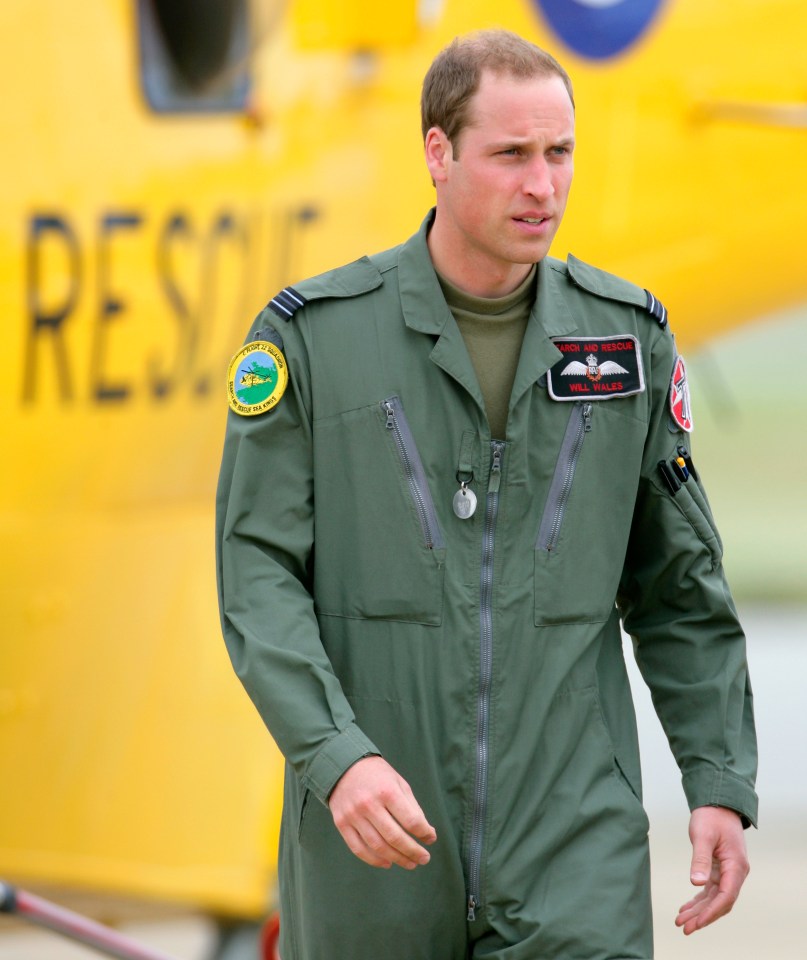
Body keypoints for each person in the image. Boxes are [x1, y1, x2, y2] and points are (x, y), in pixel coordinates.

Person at [216, 30, 757, 960]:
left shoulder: (625, 344)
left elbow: (679, 588)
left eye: (559, 153)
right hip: (371, 843)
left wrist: (716, 780)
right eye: (510, 154)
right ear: (438, 153)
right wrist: (335, 758)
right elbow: (256, 575)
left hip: (572, 844)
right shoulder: (312, 340)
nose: (541, 186)